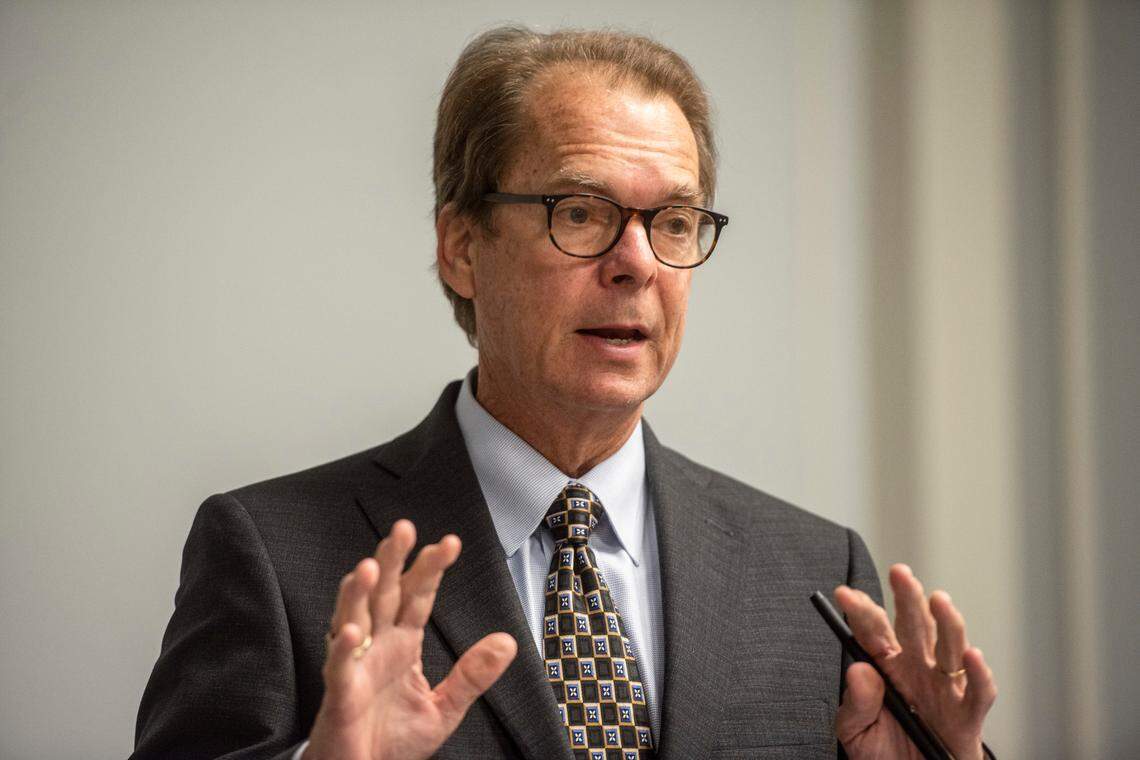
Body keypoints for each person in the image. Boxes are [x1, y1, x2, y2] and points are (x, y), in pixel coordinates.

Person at [133, 26, 996, 760]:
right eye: (580, 212)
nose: (638, 263)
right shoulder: (277, 556)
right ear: (463, 246)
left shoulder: (810, 574)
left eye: (673, 222)